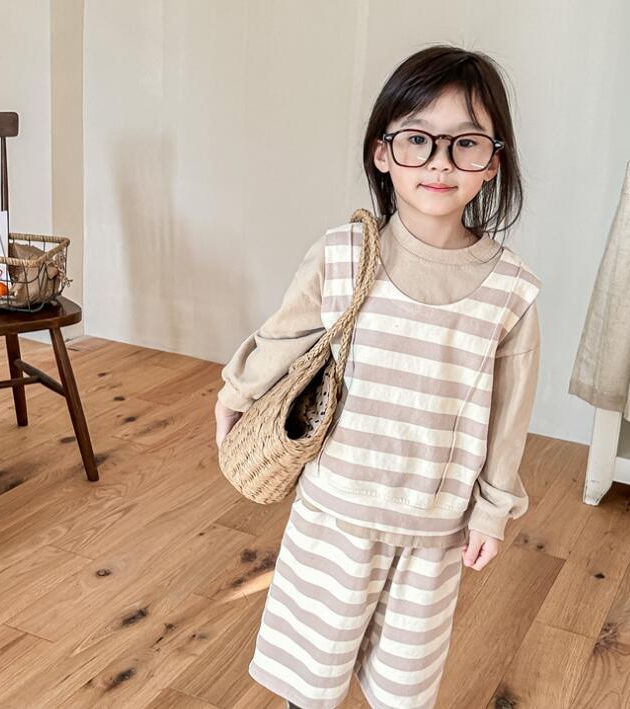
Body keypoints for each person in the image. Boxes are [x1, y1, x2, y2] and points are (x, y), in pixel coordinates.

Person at [215, 44, 541, 709]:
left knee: (402, 691)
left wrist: (492, 511)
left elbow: (510, 416)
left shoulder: (512, 290)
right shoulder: (342, 253)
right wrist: (234, 394)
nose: (440, 162)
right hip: (333, 516)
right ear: (381, 152)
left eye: (465, 143)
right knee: (309, 682)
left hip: (433, 532)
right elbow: (284, 337)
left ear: (492, 162)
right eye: (418, 139)